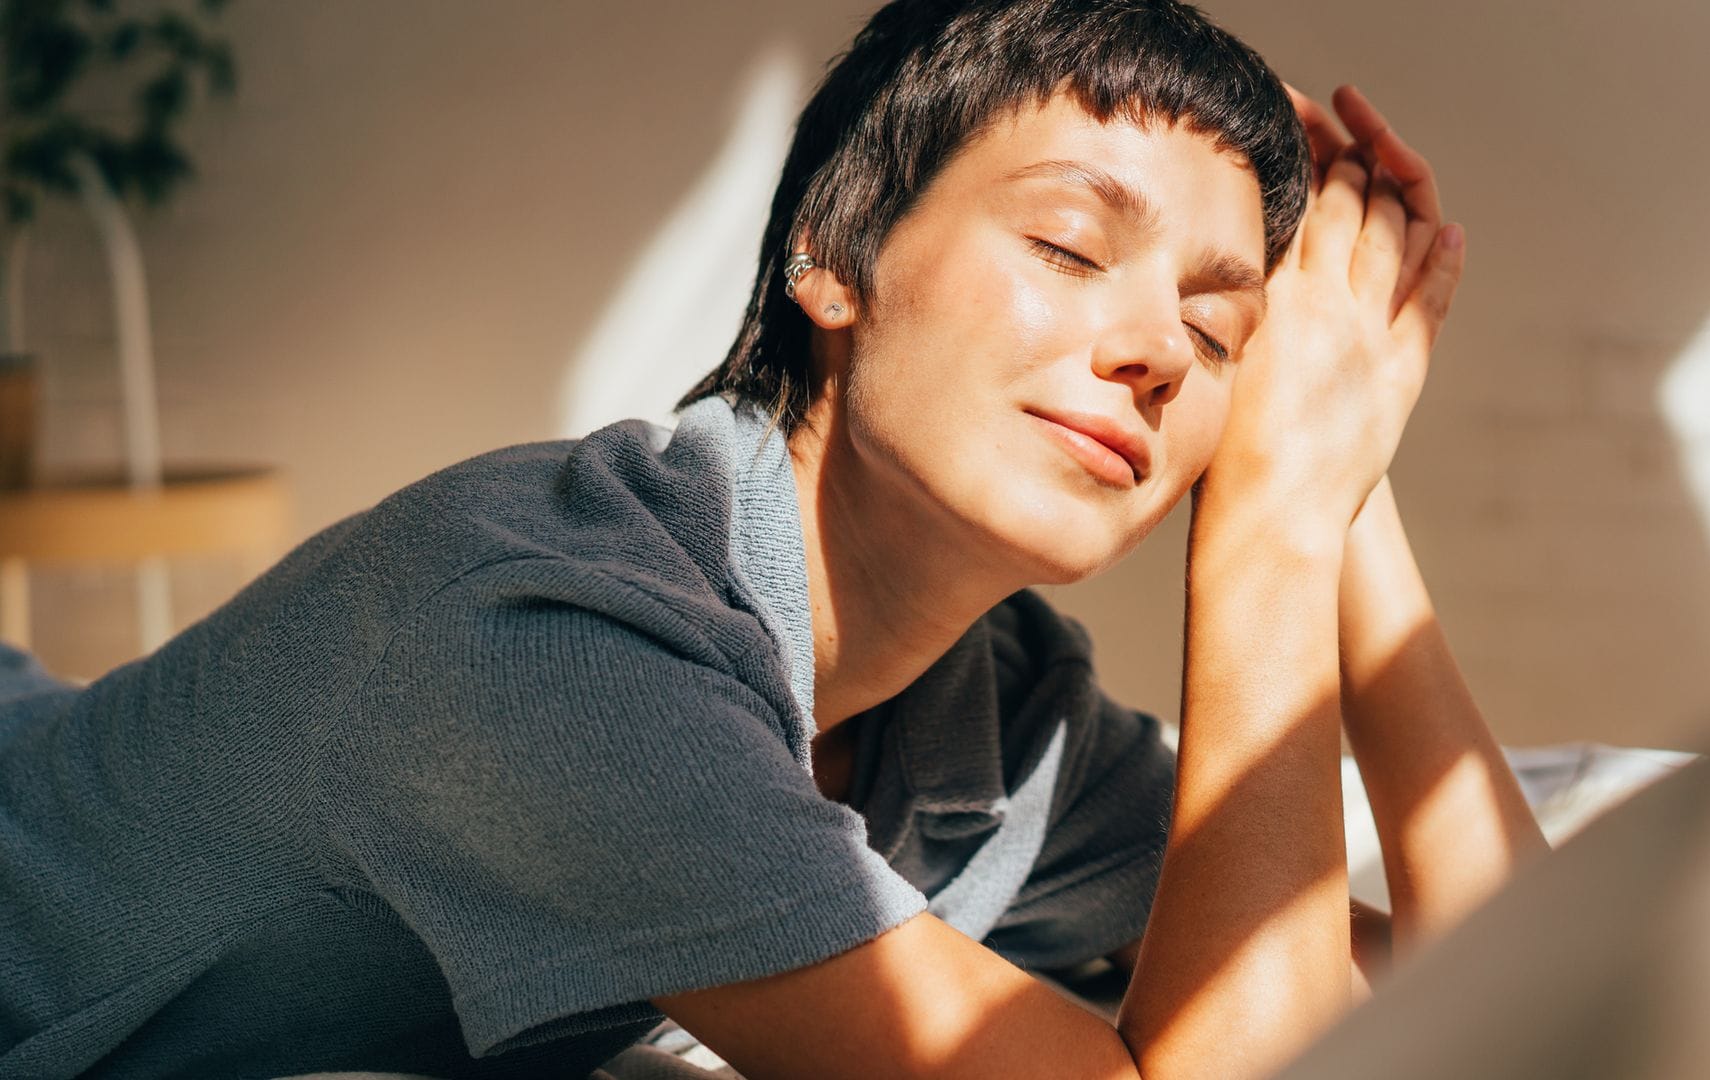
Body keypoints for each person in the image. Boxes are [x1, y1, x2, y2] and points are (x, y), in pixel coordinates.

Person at [0, 1, 1544, 1077]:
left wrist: (1344, 484)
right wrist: (1269, 524)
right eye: (1072, 246)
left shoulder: (991, 721)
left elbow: (1493, 993)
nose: (1154, 349)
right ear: (829, 255)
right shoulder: (556, 652)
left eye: (1220, 338)